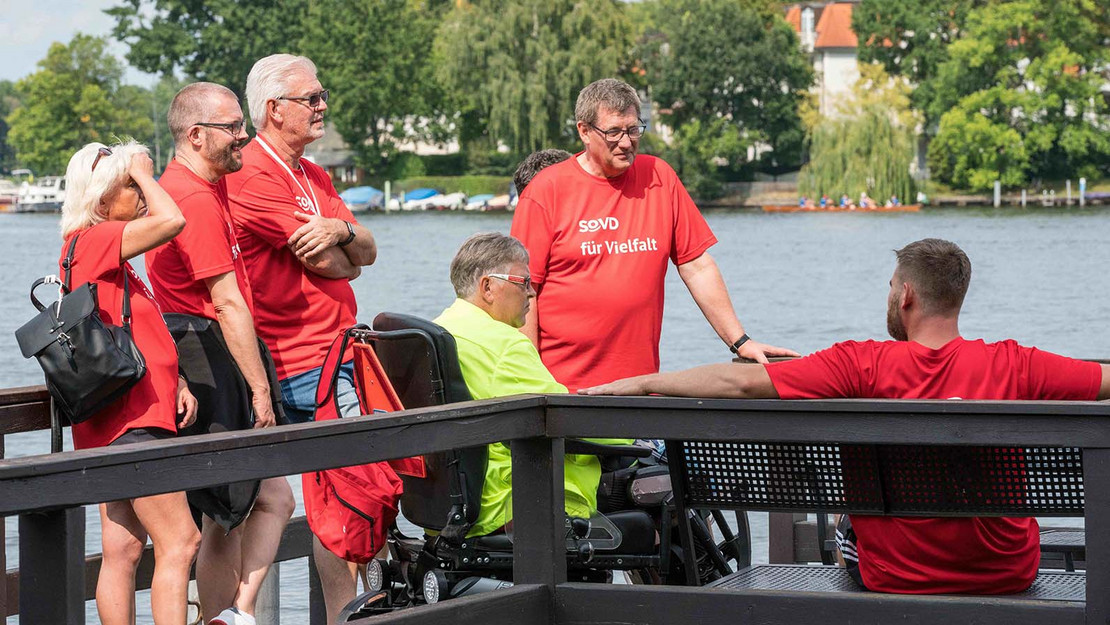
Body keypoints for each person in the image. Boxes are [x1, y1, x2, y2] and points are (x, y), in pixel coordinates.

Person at [581, 238, 1109, 595]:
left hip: (894, 577)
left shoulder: (862, 363)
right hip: (1006, 572)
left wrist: (644, 381)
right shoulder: (1016, 364)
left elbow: (739, 379)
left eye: (889, 286)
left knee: (846, 521)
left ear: (905, 295)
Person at [510, 78, 796, 398]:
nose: (626, 142)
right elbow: (524, 289)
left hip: (639, 388)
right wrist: (532, 381)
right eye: (614, 132)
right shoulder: (546, 191)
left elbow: (696, 265)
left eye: (633, 130)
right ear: (584, 131)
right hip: (563, 389)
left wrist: (740, 341)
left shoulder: (659, 177)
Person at [225, 54, 378, 622]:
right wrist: (348, 250)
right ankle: (343, 616)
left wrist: (341, 229)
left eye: (321, 95)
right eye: (311, 98)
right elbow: (342, 270)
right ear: (273, 109)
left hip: (340, 352)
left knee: (360, 487)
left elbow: (362, 254)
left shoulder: (315, 176)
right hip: (299, 361)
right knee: (335, 494)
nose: (322, 105)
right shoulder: (251, 173)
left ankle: (353, 610)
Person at [147, 82, 296, 625]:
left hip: (216, 353)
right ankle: (224, 614)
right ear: (195, 135)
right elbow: (228, 303)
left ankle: (235, 612)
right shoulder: (190, 198)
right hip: (207, 354)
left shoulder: (211, 186)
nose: (244, 136)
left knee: (267, 500)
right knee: (226, 511)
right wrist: (259, 389)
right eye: (232, 128)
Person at [57, 141, 201, 624]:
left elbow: (131, 329)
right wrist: (144, 173)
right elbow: (172, 220)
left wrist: (175, 379)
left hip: (120, 420)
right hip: (133, 422)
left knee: (122, 549)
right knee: (181, 541)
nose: (139, 194)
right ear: (101, 202)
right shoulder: (95, 239)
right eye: (128, 187)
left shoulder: (99, 254)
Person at [434, 232, 605, 534]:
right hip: (511, 504)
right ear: (488, 287)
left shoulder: (437, 331)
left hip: (446, 509)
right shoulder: (505, 345)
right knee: (654, 490)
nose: (531, 294)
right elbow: (569, 418)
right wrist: (638, 436)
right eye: (523, 282)